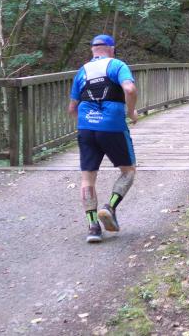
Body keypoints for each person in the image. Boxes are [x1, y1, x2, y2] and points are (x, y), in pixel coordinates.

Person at [67, 34, 139, 243]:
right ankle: (110, 207)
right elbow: (129, 89)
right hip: (113, 127)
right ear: (112, 49)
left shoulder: (82, 71)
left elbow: (72, 108)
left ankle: (92, 228)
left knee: (87, 178)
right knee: (128, 171)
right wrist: (131, 111)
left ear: (92, 50)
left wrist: (87, 122)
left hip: (86, 128)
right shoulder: (117, 65)